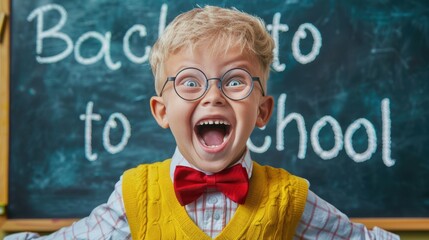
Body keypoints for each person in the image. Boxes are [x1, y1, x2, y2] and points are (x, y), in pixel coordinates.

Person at [6, 5, 399, 240]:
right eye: (190, 82)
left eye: (235, 81)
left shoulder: (289, 198)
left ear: (262, 111)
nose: (213, 96)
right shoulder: (134, 195)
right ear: (161, 110)